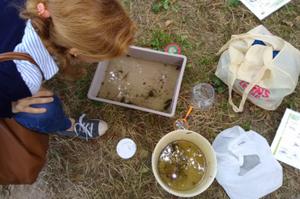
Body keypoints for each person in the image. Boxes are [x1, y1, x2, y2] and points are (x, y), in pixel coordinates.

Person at [0, 0, 136, 140]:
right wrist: (12, 106)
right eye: (99, 57)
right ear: (75, 51)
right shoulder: (25, 78)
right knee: (47, 111)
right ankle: (67, 126)